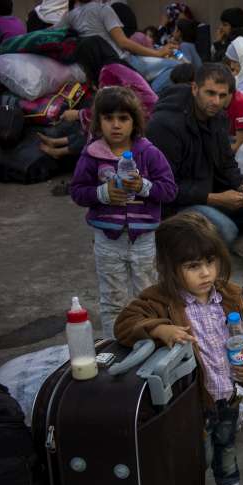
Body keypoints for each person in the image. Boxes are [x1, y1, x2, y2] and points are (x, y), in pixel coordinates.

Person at [114, 212, 243, 485]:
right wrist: (158, 328)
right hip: (191, 402)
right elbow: (124, 324)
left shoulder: (229, 294)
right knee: (193, 454)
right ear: (168, 268)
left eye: (210, 262)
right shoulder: (158, 300)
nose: (206, 273)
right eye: (192, 266)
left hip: (225, 393)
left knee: (226, 445)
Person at [69, 87, 177, 338]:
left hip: (144, 241)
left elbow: (170, 190)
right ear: (98, 122)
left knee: (149, 296)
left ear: (135, 122)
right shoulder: (92, 155)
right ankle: (114, 346)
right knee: (113, 300)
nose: (115, 125)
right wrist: (101, 194)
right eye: (108, 118)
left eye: (123, 118)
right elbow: (77, 191)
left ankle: (152, 342)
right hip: (107, 241)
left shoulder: (149, 154)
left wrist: (143, 186)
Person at [146, 63, 243, 246]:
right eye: (210, 93)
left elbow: (227, 161)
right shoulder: (165, 125)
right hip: (173, 206)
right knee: (227, 232)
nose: (216, 102)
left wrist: (241, 186)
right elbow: (162, 187)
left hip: (207, 192)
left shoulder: (218, 117)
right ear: (195, 88)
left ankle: (209, 229)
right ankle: (182, 234)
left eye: (222, 95)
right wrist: (215, 199)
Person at [53, 0, 179, 93]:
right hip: (123, 62)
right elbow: (123, 42)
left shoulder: (70, 16)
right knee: (177, 67)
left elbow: (50, 33)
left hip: (100, 71)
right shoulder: (103, 10)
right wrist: (158, 53)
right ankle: (149, 94)